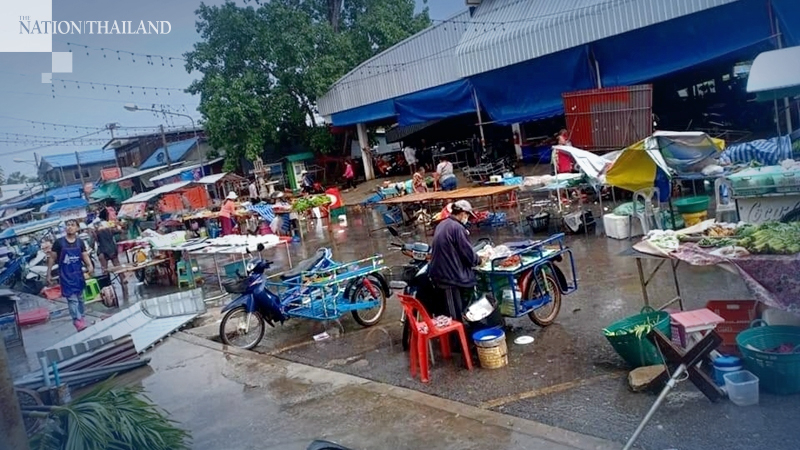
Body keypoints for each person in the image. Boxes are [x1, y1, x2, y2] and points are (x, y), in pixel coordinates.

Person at [428, 200, 481, 324]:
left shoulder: (442, 224)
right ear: (462, 213)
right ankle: (457, 336)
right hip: (448, 277)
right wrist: (479, 260)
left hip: (441, 273)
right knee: (454, 316)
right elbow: (467, 254)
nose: (467, 218)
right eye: (467, 215)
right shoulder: (457, 228)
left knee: (451, 311)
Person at [47, 219, 94, 331]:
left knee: (80, 298)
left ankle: (81, 318)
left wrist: (90, 266)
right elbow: (52, 258)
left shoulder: (80, 242)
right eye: (68, 225)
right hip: (65, 275)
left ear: (77, 228)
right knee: (72, 299)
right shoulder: (59, 243)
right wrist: (48, 273)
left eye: (72, 225)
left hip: (78, 275)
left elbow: (84, 255)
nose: (70, 227)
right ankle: (77, 320)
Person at [93, 209, 121, 273]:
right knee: (118, 267)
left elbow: (93, 239)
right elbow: (119, 231)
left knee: (104, 270)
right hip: (112, 249)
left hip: (101, 250)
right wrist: (118, 226)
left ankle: (106, 278)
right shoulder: (109, 225)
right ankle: (123, 278)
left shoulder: (95, 225)